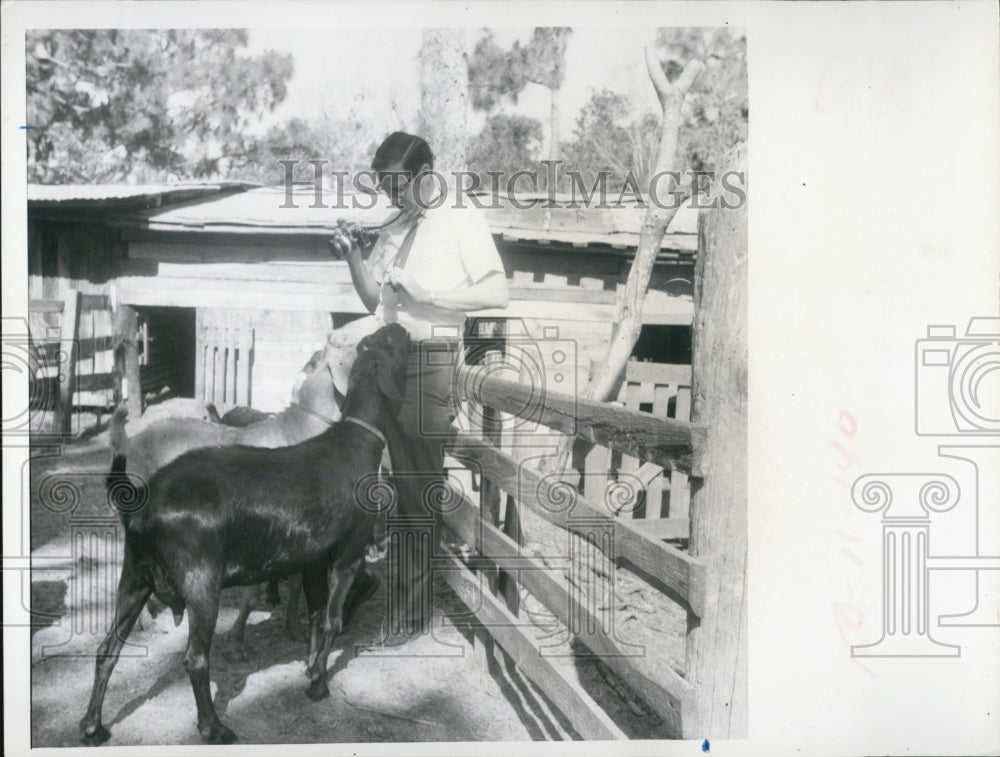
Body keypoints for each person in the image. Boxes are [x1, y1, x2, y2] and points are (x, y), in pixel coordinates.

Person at [330, 132, 509, 641]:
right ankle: (355, 583)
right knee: (357, 475)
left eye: (397, 185)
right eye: (385, 187)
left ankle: (411, 612)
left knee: (414, 486)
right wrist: (352, 256)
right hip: (383, 354)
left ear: (426, 174)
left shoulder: (459, 216)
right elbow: (374, 302)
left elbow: (497, 291)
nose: (391, 196)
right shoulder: (399, 223)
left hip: (429, 359)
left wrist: (428, 293)